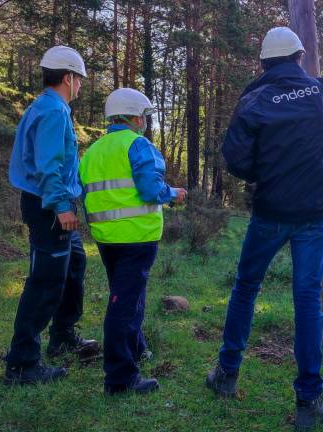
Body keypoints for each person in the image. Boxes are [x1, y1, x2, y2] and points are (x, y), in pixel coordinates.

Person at [205, 26, 323, 430]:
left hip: (271, 210)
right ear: (298, 58)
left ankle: (226, 374)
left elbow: (236, 160)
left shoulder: (253, 101)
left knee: (245, 288)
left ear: (264, 64)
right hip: (314, 213)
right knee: (307, 299)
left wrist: (269, 172)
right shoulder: (322, 93)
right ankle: (308, 403)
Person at [79, 88, 186, 395]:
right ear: (135, 117)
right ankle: (120, 378)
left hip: (106, 237)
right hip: (137, 236)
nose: (145, 123)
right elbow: (151, 189)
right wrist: (172, 194)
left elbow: (85, 192)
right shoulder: (138, 145)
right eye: (144, 117)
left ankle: (137, 347)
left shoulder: (93, 151)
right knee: (123, 303)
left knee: (128, 295)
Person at [4, 45, 99, 385]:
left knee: (74, 265)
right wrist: (61, 206)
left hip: (47, 202)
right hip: (48, 205)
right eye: (80, 80)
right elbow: (48, 166)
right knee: (45, 281)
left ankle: (62, 336)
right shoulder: (54, 112)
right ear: (68, 78)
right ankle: (22, 363)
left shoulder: (44, 106)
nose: (81, 86)